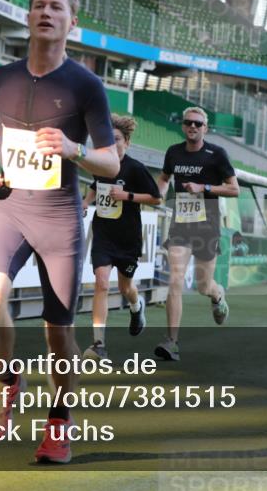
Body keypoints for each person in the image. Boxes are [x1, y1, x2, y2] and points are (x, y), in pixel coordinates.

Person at [0, 0, 119, 464]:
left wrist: (74, 149)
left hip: (59, 219)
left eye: (57, 7)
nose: (46, 13)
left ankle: (59, 421)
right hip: (10, 208)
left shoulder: (86, 86)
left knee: (58, 331)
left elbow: (111, 163)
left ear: (71, 23)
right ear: (28, 15)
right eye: (39, 5)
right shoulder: (0, 78)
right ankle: (7, 378)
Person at [155, 106, 240, 361]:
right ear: (183, 126)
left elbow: (234, 189)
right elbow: (164, 177)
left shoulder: (217, 154)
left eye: (198, 124)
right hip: (181, 224)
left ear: (206, 128)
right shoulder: (173, 152)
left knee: (204, 286)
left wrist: (203, 186)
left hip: (207, 225)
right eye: (188, 123)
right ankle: (172, 342)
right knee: (176, 280)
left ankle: (218, 294)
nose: (192, 127)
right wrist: (158, 193)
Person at [81, 114, 162, 361]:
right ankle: (98, 345)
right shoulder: (102, 165)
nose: (112, 144)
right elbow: (96, 185)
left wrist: (126, 196)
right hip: (104, 233)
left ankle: (136, 308)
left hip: (127, 237)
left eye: (117, 139)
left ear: (126, 142)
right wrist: (85, 202)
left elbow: (156, 198)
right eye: (108, 139)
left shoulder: (135, 168)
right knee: (102, 283)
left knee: (126, 287)